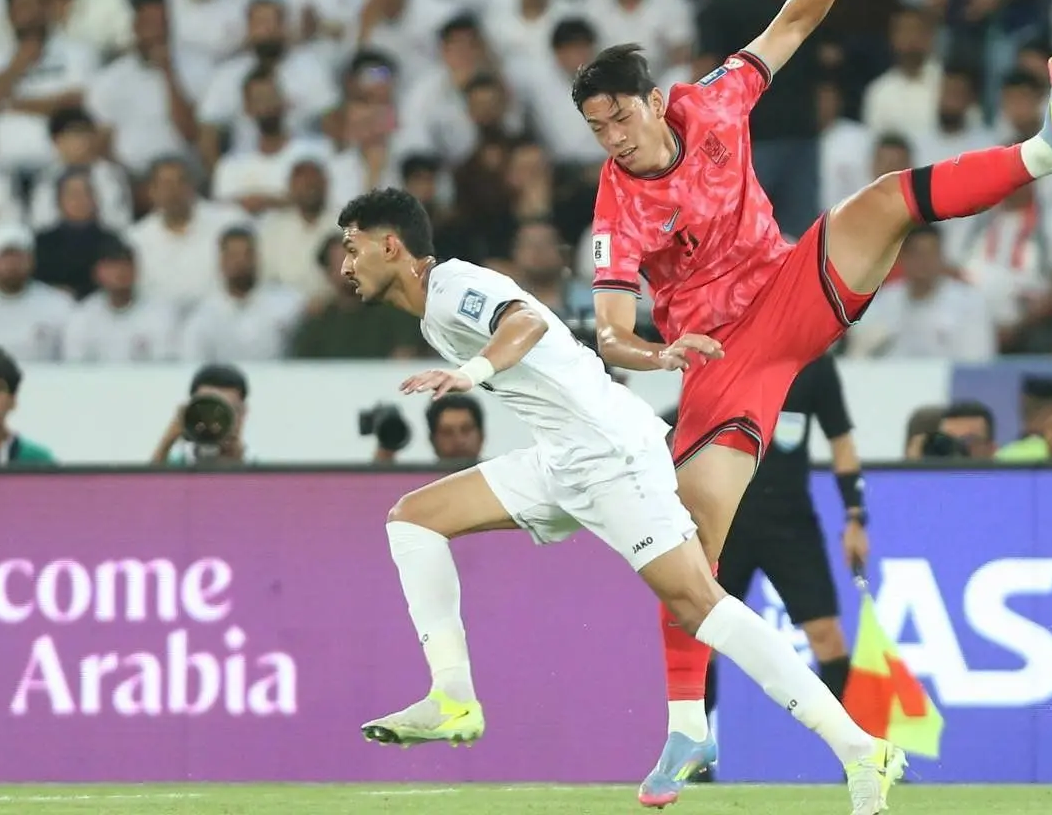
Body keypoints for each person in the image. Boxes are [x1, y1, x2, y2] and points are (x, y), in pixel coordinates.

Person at [572, 0, 1052, 805]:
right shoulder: (616, 207)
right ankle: (688, 729)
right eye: (596, 129)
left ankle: (1051, 152)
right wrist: (663, 354)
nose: (612, 139)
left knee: (889, 197)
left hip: (790, 293)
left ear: (656, 102)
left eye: (620, 117)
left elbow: (791, 24)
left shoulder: (714, 104)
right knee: (685, 545)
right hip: (718, 356)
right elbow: (612, 332)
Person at [339, 187, 898, 815]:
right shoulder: (431, 313)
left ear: (392, 246)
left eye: (352, 247)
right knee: (413, 520)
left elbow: (523, 322)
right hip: (562, 459)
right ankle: (452, 696)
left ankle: (859, 748)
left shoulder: (450, 287)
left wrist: (471, 374)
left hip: (612, 457)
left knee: (700, 605)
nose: (346, 264)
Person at [701, 354, 868, 733]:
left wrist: (855, 516)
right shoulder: (728, 348)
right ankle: (693, 748)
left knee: (827, 636)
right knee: (705, 638)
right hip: (726, 520)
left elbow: (841, 442)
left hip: (791, 522)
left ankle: (856, 749)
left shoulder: (814, 362)